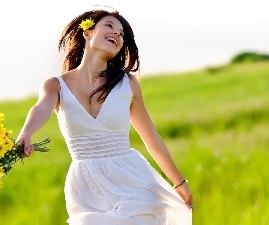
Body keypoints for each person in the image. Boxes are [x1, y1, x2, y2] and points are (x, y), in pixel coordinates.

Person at [17, 7, 193, 225]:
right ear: (87, 32)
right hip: (86, 187)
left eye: (121, 34)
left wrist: (179, 182)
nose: (117, 35)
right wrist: (26, 132)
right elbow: (41, 108)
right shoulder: (56, 85)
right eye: (109, 26)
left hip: (131, 180)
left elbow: (152, 139)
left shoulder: (127, 84)